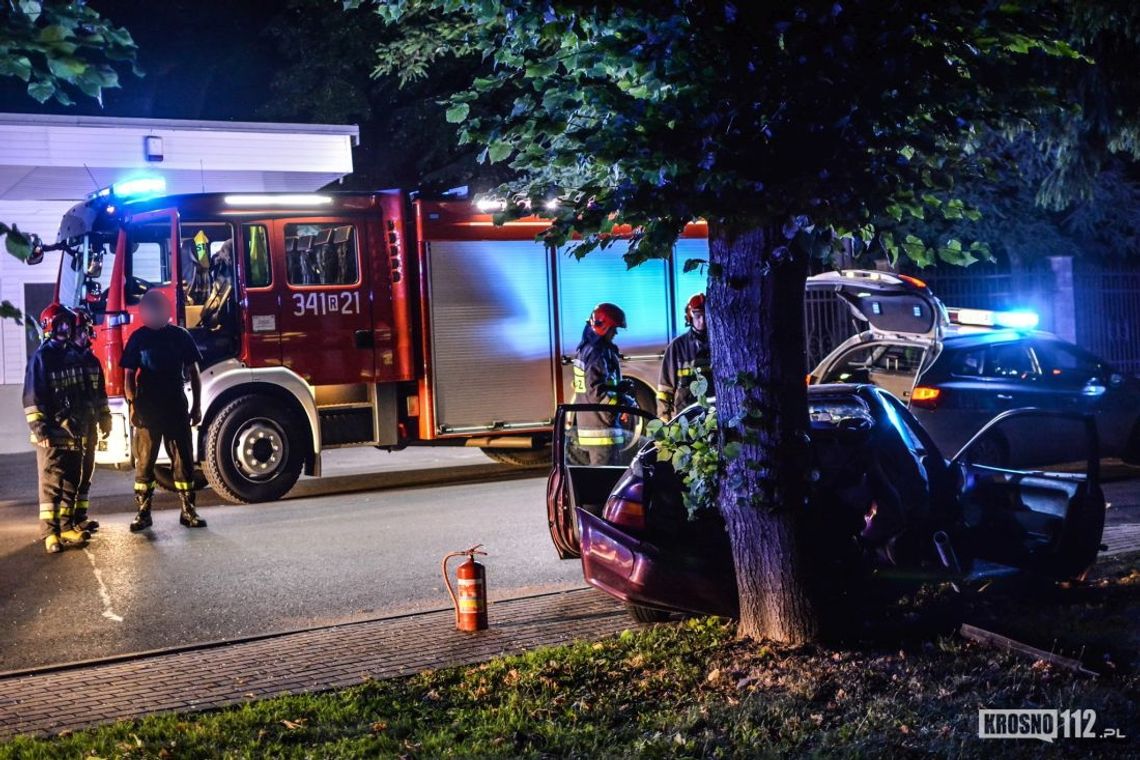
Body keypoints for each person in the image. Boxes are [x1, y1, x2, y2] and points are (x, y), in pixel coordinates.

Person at [121, 291, 207, 531]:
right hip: (148, 410)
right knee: (145, 463)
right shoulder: (138, 338)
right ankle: (143, 514)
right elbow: (128, 376)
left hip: (175, 408)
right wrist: (132, 406)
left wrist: (197, 406)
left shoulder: (181, 336)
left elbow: (194, 373)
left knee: (183, 462)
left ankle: (188, 512)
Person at [23, 305, 89, 553]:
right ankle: (50, 534)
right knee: (51, 483)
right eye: (60, 324)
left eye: (68, 324)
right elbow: (32, 397)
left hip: (73, 431)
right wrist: (41, 429)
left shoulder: (73, 355)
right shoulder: (41, 358)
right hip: (51, 433)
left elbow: (81, 392)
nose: (65, 328)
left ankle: (66, 526)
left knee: (72, 481)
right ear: (49, 326)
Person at [572, 303, 633, 465]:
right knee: (605, 483)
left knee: (600, 481)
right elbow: (596, 393)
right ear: (603, 327)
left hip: (592, 426)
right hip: (601, 431)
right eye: (614, 329)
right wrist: (621, 404)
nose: (615, 333)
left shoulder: (586, 348)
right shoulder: (597, 353)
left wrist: (617, 389)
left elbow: (595, 385)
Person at [70, 308, 112, 533]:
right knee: (72, 476)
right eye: (83, 330)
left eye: (87, 330)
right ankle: (67, 522)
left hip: (90, 425)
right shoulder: (67, 361)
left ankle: (80, 516)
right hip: (73, 429)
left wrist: (105, 417)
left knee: (87, 472)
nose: (87, 335)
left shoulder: (92, 361)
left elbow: (100, 393)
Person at [656, 293, 712, 420]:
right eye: (698, 316)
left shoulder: (721, 345)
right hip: (685, 418)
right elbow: (665, 390)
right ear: (690, 317)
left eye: (706, 316)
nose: (702, 321)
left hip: (713, 416)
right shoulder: (676, 347)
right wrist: (665, 420)